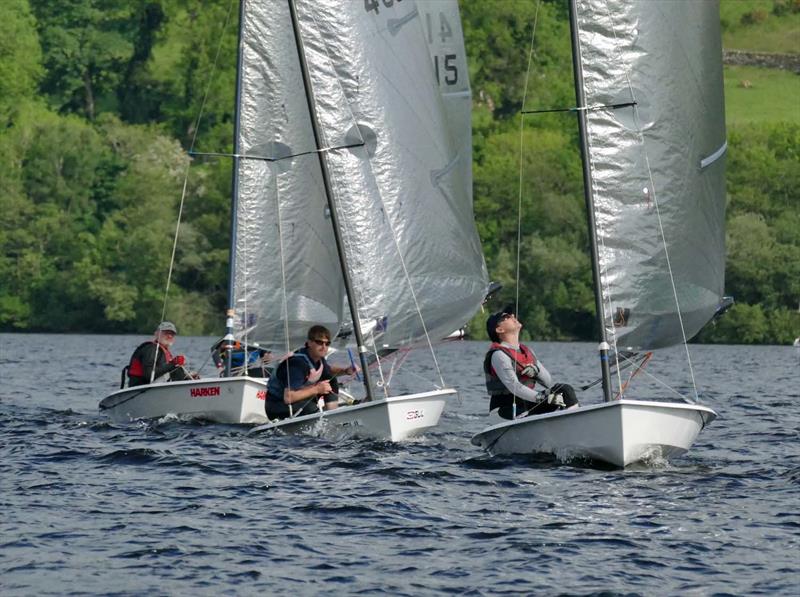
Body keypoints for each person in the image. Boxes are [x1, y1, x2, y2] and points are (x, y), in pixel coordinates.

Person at [483, 307, 578, 420]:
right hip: (504, 411)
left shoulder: (527, 352)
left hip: (528, 404)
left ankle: (575, 420)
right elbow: (515, 387)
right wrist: (542, 397)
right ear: (499, 330)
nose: (513, 316)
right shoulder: (498, 355)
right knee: (552, 401)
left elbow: (548, 382)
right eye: (506, 317)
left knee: (564, 390)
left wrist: (536, 371)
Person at [265, 325, 357, 420]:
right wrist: (317, 389)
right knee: (311, 408)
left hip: (297, 402)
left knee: (330, 381)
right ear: (309, 343)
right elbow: (288, 397)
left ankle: (333, 415)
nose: (324, 347)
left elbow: (328, 371)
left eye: (327, 343)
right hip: (277, 406)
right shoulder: (297, 364)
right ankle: (324, 420)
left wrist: (346, 371)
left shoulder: (318, 359)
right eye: (319, 342)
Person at [124, 321, 193, 388]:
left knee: (180, 371)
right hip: (140, 388)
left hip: (154, 387)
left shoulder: (163, 351)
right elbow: (149, 375)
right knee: (176, 369)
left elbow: (164, 371)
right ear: (157, 334)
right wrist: (173, 364)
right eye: (166, 333)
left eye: (172, 334)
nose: (169, 336)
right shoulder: (151, 349)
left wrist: (188, 378)